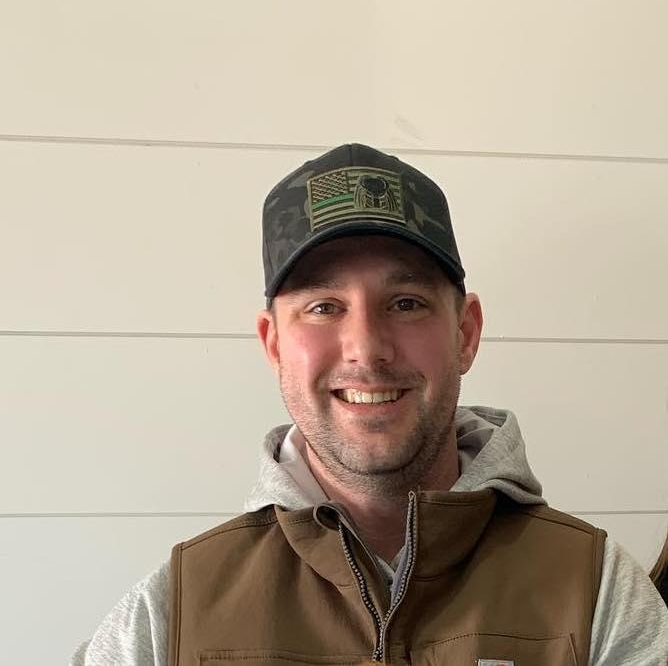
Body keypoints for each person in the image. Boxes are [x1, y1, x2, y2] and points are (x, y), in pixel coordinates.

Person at [72, 144, 668, 665]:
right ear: (274, 343)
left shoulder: (599, 594)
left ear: (465, 333)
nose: (366, 347)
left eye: (406, 303)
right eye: (323, 307)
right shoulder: (169, 617)